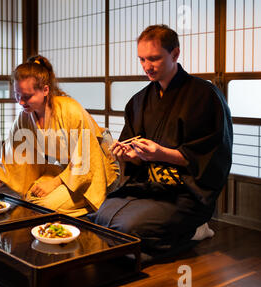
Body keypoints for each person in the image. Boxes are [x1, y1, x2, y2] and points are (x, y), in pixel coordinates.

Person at [87, 25, 233, 257]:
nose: (147, 66)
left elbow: (212, 155)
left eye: (154, 59)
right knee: (100, 217)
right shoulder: (139, 101)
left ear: (175, 54)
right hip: (147, 186)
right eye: (142, 59)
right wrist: (129, 155)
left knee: (128, 227)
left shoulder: (204, 95)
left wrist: (161, 154)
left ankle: (195, 230)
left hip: (184, 193)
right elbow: (132, 148)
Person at [0, 55, 119, 217]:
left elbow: (86, 160)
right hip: (67, 171)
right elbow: (7, 164)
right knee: (30, 197)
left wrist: (55, 182)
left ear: (45, 90)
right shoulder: (24, 118)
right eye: (17, 95)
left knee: (45, 205)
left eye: (27, 96)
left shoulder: (70, 110)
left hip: (97, 170)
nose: (21, 103)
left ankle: (96, 203)